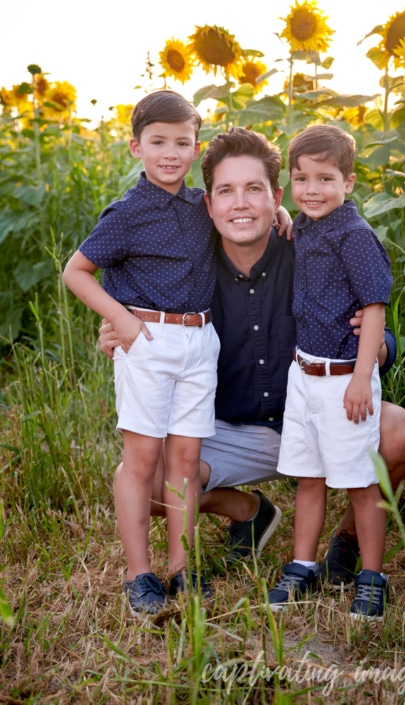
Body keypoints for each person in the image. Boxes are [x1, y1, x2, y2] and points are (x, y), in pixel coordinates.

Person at [99, 127, 405, 596]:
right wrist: (119, 325)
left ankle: (347, 543)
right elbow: (135, 299)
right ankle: (248, 512)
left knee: (396, 432)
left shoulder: (311, 249)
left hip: (311, 412)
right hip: (224, 430)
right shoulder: (187, 270)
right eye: (226, 191)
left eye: (254, 190)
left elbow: (375, 324)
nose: (241, 204)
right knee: (142, 482)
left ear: (276, 198)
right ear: (209, 205)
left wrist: (378, 348)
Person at [63, 90, 222, 619]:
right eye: (158, 142)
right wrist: (124, 321)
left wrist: (283, 215)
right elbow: (75, 272)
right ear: (136, 147)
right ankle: (139, 574)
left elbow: (249, 213)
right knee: (142, 460)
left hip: (199, 340)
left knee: (185, 460)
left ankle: (182, 567)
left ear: (197, 148)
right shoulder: (127, 213)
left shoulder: (203, 205)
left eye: (182, 142)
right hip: (147, 340)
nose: (170, 153)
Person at [267, 124, 393, 621]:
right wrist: (282, 211)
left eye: (324, 179)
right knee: (309, 477)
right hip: (304, 375)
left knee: (361, 482)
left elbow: (375, 309)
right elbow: (295, 220)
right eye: (301, 179)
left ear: (350, 182)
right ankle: (302, 566)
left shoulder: (356, 237)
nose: (312, 190)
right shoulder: (308, 223)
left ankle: (372, 577)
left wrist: (363, 378)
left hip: (345, 378)